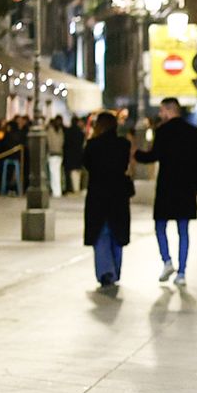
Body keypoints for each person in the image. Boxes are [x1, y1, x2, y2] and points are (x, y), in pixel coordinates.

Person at [133, 97, 197, 287]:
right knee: (183, 230)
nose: (159, 114)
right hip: (187, 188)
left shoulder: (163, 131)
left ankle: (167, 261)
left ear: (168, 110)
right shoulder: (194, 133)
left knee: (160, 226)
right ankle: (181, 272)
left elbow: (153, 156)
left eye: (161, 111)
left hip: (167, 186)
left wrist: (136, 154)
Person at [83, 111, 132, 290]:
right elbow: (125, 165)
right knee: (116, 234)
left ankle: (105, 271)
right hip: (118, 194)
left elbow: (86, 164)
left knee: (101, 233)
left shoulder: (92, 145)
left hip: (98, 193)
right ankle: (115, 270)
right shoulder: (123, 144)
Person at [63, 112, 86, 195]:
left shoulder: (68, 132)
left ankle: (74, 189)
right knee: (77, 173)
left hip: (70, 156)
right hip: (78, 156)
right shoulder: (81, 133)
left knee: (72, 174)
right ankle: (76, 189)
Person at [47, 115, 66, 198]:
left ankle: (56, 192)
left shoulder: (50, 131)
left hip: (53, 153)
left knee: (53, 173)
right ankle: (57, 191)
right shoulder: (60, 131)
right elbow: (62, 142)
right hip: (59, 153)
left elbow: (48, 142)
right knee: (57, 173)